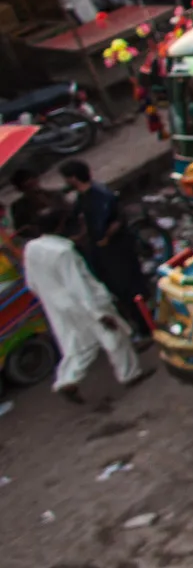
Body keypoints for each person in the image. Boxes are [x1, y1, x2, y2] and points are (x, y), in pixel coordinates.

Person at [20, 208, 147, 402]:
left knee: (78, 345)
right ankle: (130, 374)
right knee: (113, 336)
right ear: (60, 225)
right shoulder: (63, 251)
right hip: (85, 303)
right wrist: (98, 313)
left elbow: (32, 283)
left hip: (58, 306)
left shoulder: (31, 249)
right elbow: (79, 286)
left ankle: (67, 380)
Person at [61, 159, 149, 344]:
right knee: (117, 290)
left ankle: (145, 327)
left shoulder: (101, 196)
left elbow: (118, 219)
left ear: (74, 178)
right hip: (101, 252)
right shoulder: (82, 199)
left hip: (116, 250)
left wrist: (106, 236)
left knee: (129, 288)